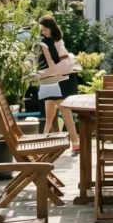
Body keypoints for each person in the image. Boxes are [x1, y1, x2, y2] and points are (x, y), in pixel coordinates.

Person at [36, 15, 80, 150]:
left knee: (65, 112)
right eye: (42, 30)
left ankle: (75, 142)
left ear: (51, 28)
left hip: (61, 81)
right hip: (49, 81)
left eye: (45, 29)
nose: (43, 32)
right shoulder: (42, 42)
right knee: (49, 114)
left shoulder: (57, 42)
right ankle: (45, 142)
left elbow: (64, 60)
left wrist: (51, 70)